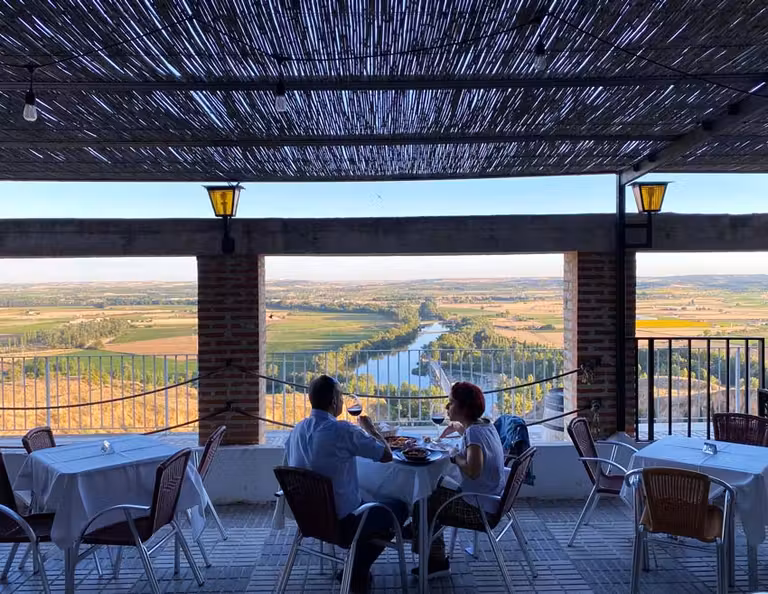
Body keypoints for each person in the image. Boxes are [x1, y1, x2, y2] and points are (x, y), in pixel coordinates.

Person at [283, 374, 407, 593]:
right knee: (399, 508)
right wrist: (371, 429)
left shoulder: (297, 430)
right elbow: (386, 455)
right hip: (343, 525)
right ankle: (357, 570)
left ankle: (353, 567)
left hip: (308, 519)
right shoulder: (342, 431)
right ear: (334, 401)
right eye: (340, 397)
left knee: (370, 502)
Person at [410, 381, 506, 577]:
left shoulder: (474, 434)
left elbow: (473, 470)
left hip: (478, 509)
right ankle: (423, 535)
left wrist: (455, 456)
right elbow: (474, 439)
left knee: (423, 500)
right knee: (432, 493)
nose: (447, 407)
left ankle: (433, 557)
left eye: (451, 402)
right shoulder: (485, 425)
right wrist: (457, 427)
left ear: (464, 408)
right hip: (492, 500)